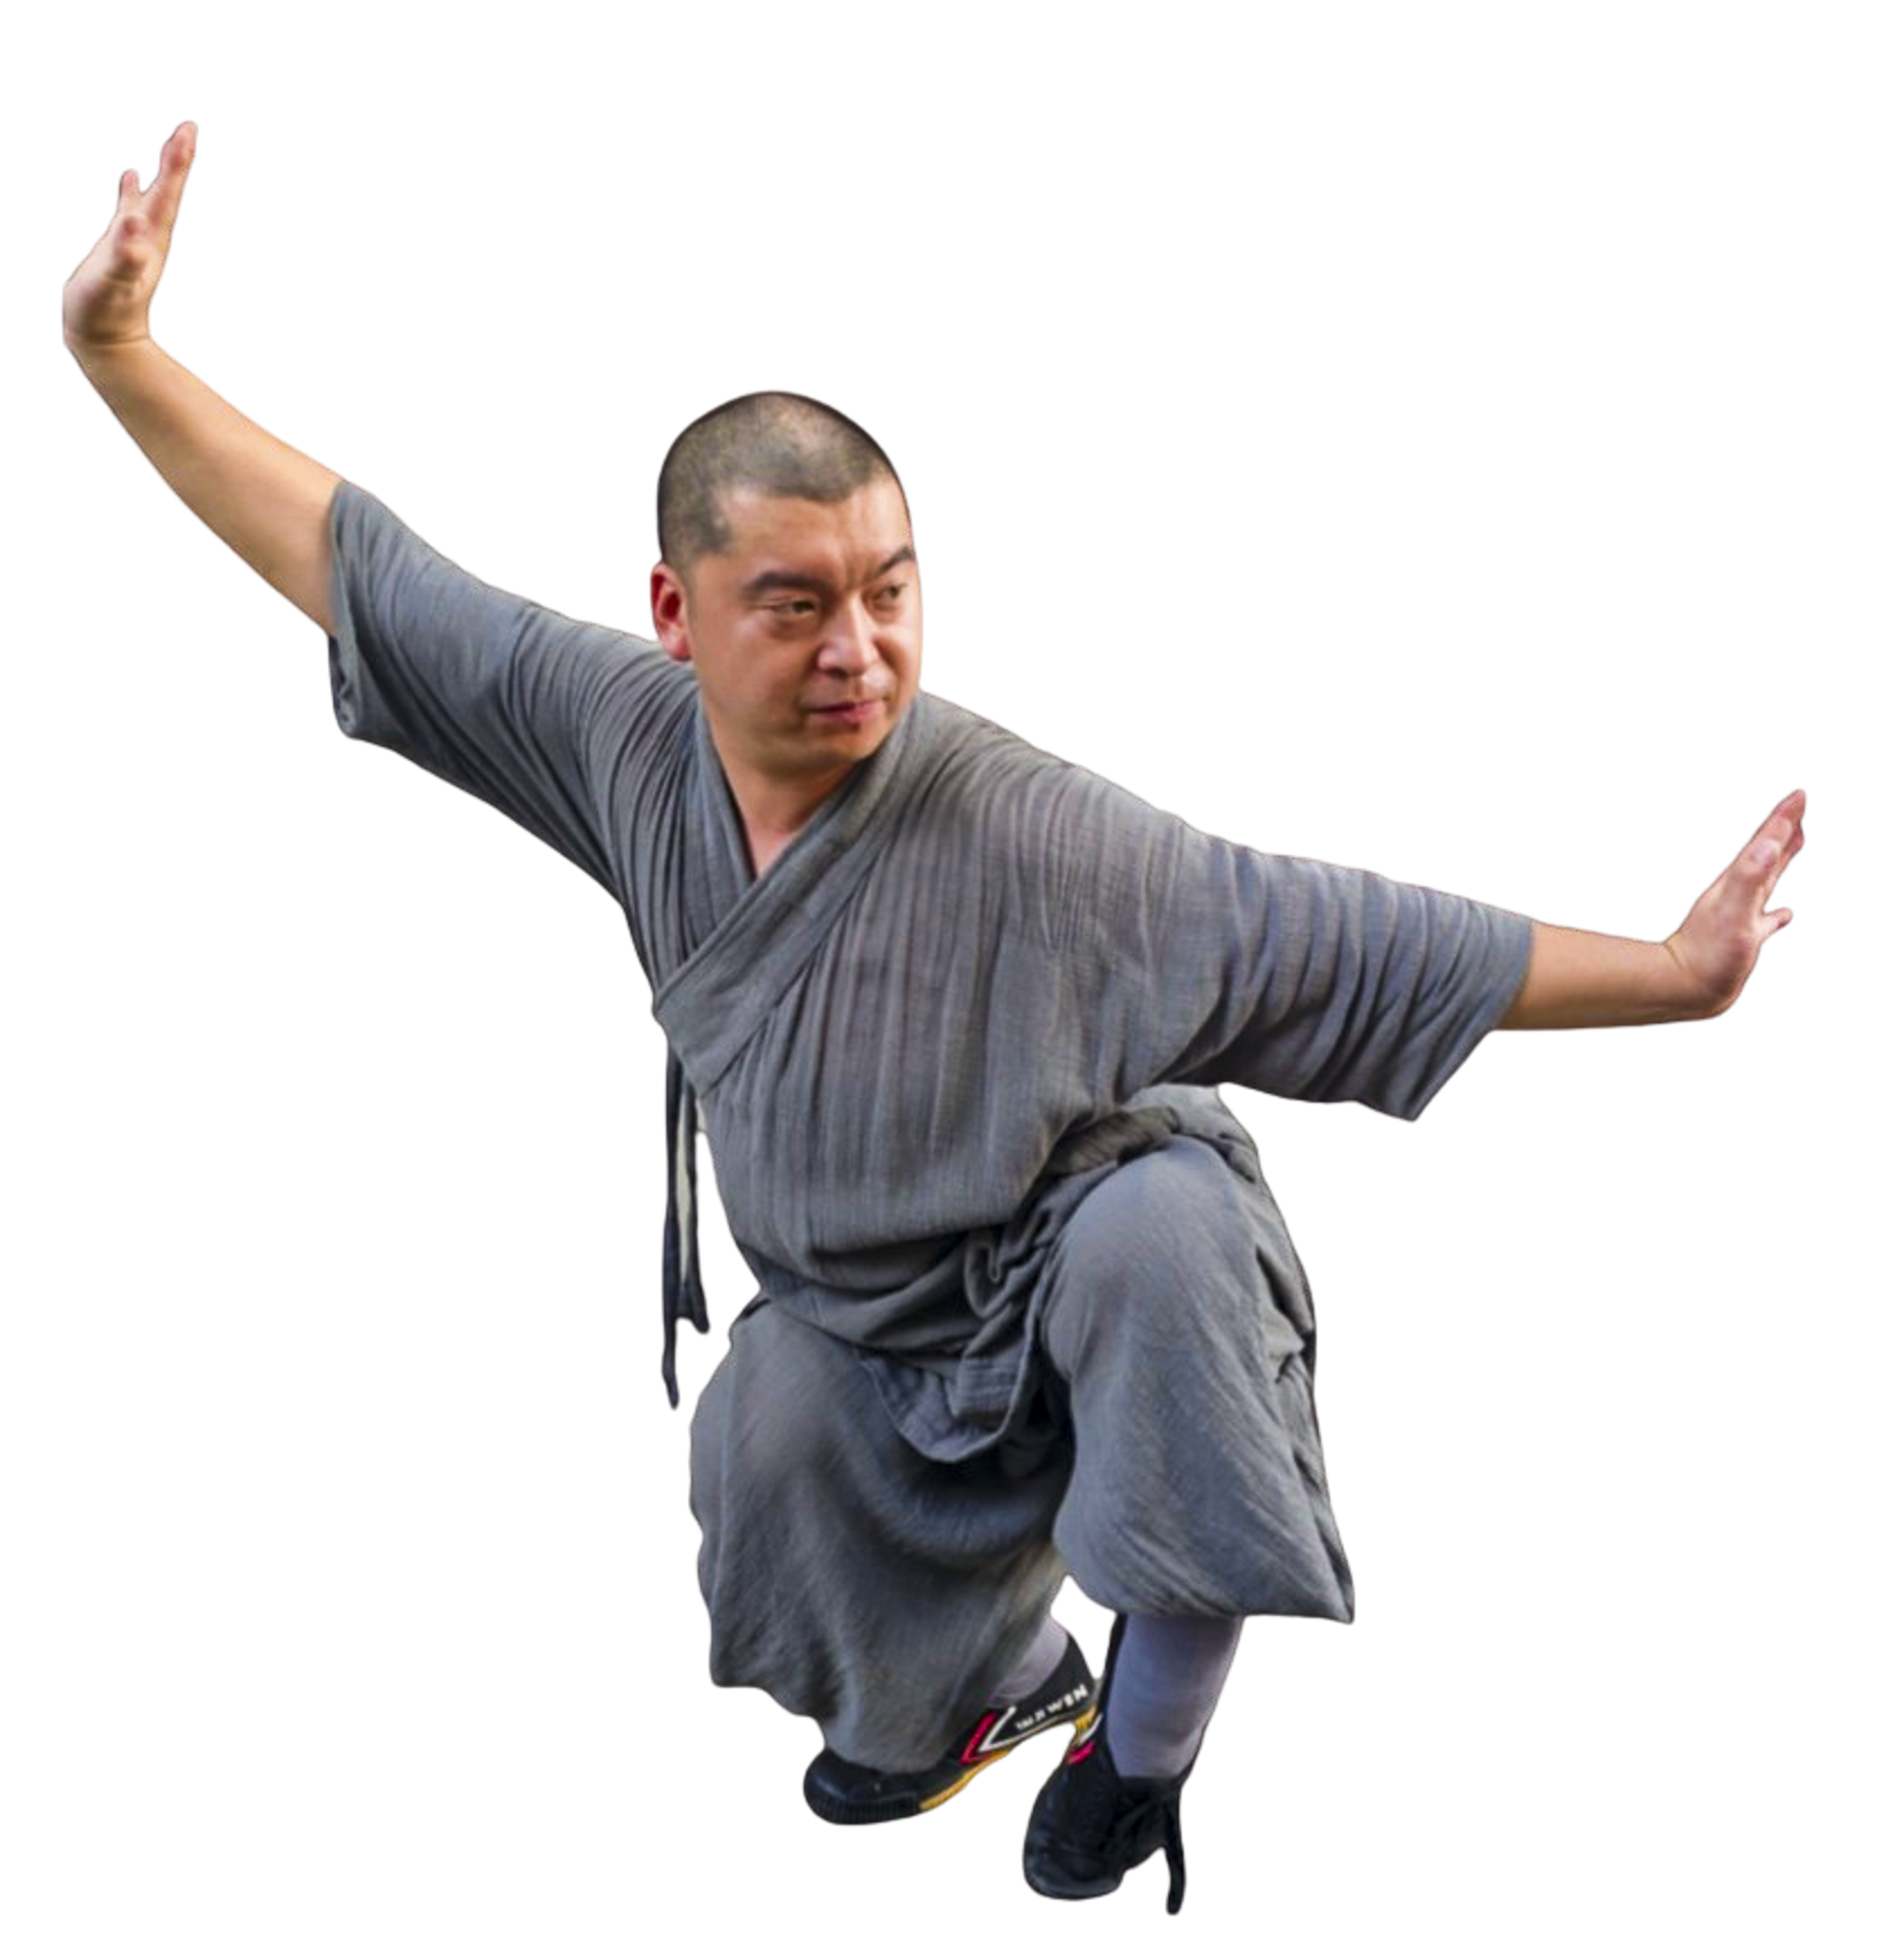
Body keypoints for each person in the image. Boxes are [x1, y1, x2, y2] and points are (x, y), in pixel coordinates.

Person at [63, 122, 1805, 1911]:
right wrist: (119, 351)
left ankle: (1136, 1772)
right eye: (798, 606)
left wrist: (1670, 975)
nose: (863, 651)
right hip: (860, 1300)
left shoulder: (1033, 833)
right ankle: (1013, 1683)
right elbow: (358, 565)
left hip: (1080, 1258)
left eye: (890, 594)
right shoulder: (618, 741)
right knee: (767, 1430)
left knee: (1167, 1251)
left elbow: (1343, 933)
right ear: (676, 616)